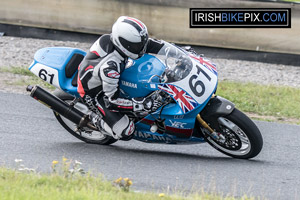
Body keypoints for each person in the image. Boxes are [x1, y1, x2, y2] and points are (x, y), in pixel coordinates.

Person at [77, 16, 164, 140]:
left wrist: (179, 53)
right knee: (126, 131)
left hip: (101, 76)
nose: (141, 48)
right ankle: (95, 119)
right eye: (136, 46)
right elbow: (112, 101)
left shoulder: (118, 41)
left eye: (141, 43)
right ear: (124, 44)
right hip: (95, 93)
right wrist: (142, 104)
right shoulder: (110, 68)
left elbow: (150, 44)